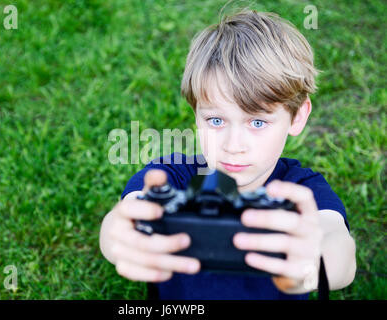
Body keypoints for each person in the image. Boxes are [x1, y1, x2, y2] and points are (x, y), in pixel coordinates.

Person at [99, 8, 356, 299]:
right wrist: (123, 236)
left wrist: (312, 263)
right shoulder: (173, 174)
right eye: (216, 121)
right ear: (196, 114)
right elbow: (121, 221)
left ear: (297, 117)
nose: (233, 145)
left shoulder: (302, 191)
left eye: (257, 122)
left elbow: (339, 252)